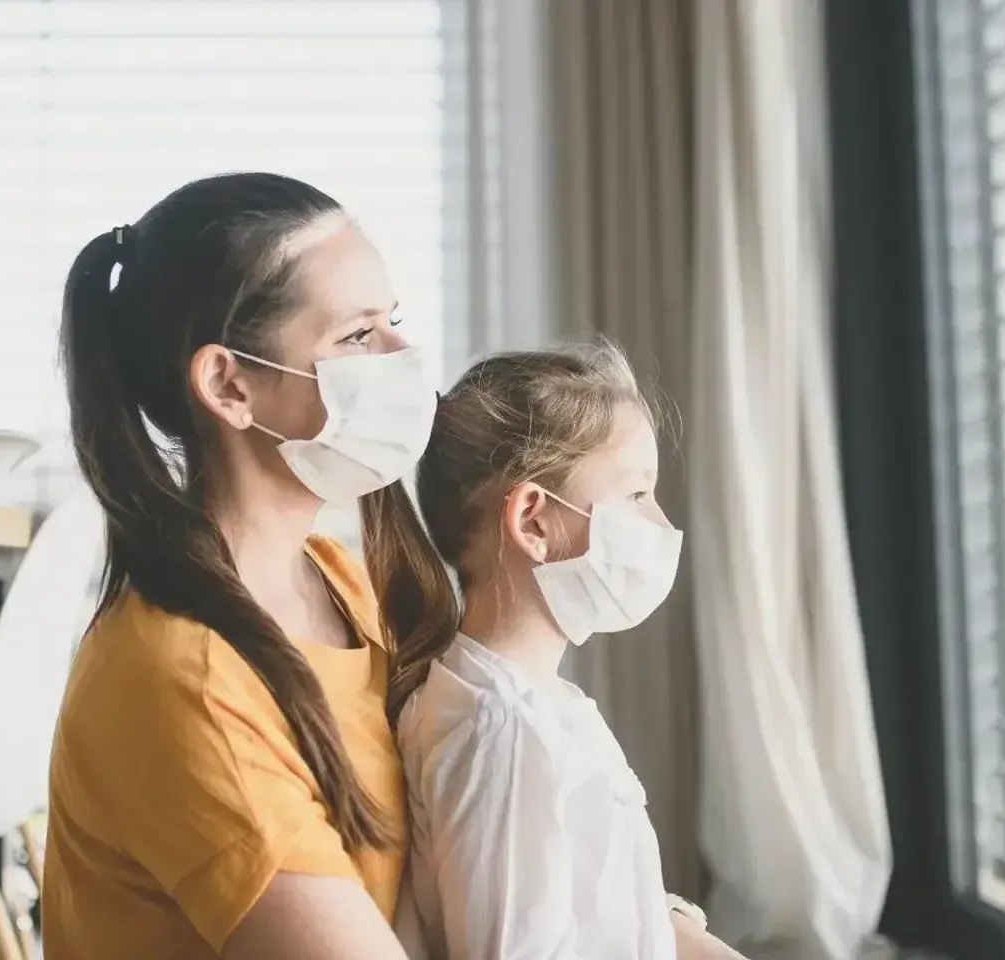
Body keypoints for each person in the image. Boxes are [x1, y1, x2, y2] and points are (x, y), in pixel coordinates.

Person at [46, 172, 435, 959]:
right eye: (358, 337)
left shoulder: (335, 581)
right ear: (230, 385)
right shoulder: (185, 677)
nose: (406, 357)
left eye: (392, 322)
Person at [366, 341, 746, 959]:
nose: (660, 526)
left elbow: (611, 910)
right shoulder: (501, 729)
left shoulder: (537, 703)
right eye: (636, 496)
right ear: (534, 521)